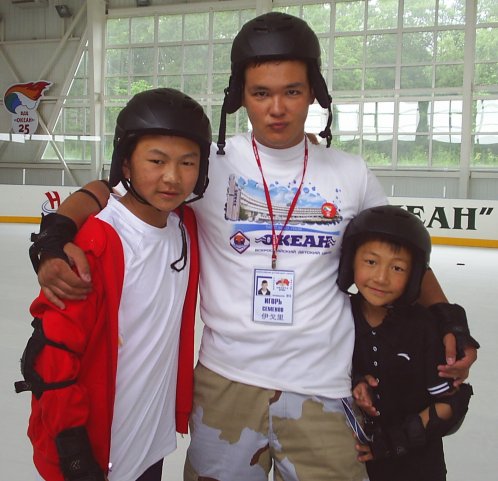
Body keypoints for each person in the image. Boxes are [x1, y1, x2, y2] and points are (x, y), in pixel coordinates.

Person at [31, 12, 478, 481]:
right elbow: (112, 189)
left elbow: (400, 253)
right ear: (240, 98)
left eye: (292, 92)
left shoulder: (351, 172)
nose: (277, 108)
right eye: (261, 93)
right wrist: (56, 233)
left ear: (314, 93)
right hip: (225, 386)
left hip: (322, 386)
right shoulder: (206, 164)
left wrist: (447, 316)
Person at [15, 88, 211, 481]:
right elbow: (51, 356)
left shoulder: (184, 226)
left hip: (148, 444)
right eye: (156, 161)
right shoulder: (98, 242)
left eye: (187, 163)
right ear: (126, 164)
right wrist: (73, 453)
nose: (172, 177)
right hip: (99, 453)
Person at [337, 205, 475, 481]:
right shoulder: (340, 316)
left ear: (414, 275)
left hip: (417, 467)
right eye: (371, 262)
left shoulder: (423, 328)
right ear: (351, 261)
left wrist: (393, 442)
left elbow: (450, 403)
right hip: (359, 462)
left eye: (397, 268)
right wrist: (357, 382)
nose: (381, 278)